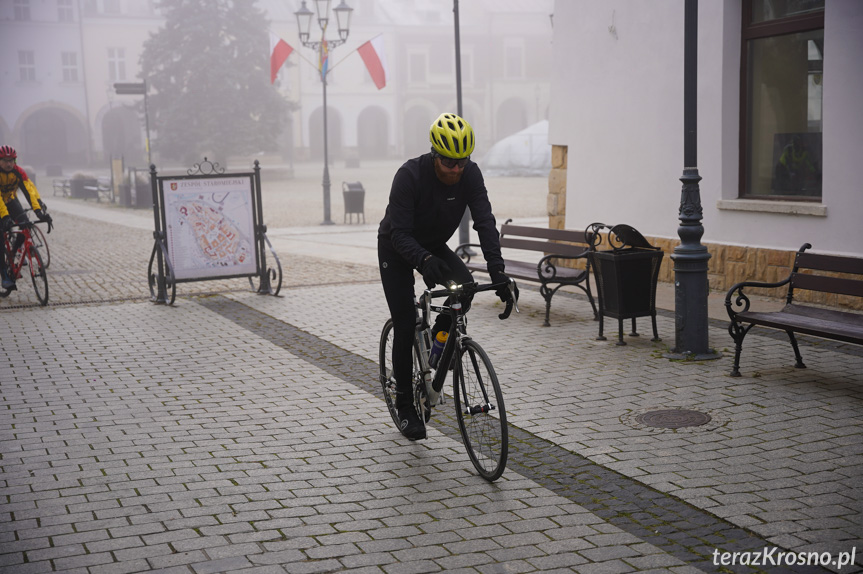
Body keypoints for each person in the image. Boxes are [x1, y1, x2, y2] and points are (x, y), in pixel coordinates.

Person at [377, 113, 517, 441]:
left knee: (464, 289)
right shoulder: (409, 175)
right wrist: (423, 260)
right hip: (396, 247)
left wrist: (498, 272)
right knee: (406, 320)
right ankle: (406, 405)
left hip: (433, 246)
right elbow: (399, 234)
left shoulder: (470, 175)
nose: (456, 170)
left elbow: (485, 221)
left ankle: (440, 340)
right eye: (448, 163)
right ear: (435, 154)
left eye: (462, 163)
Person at [0, 145, 53, 290]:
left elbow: (29, 191)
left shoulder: (18, 172)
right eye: (4, 160)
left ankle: (13, 252)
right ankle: (4, 276)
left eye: (11, 160)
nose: (8, 164)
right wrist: (4, 217)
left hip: (10, 200)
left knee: (26, 224)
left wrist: (39, 212)